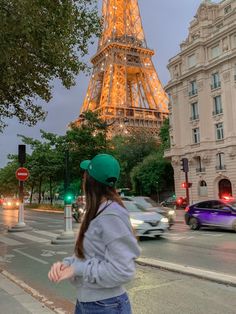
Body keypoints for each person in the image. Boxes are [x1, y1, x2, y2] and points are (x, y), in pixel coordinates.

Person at [48, 154, 141, 314]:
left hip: (106, 306)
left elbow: (123, 270)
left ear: (90, 181)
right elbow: (90, 257)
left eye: (85, 175)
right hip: (90, 304)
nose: (83, 179)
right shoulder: (98, 211)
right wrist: (67, 265)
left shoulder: (111, 215)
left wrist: (77, 269)